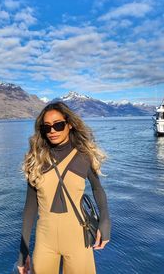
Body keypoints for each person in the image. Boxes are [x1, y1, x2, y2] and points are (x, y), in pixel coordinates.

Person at [17, 102, 111, 274]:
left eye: (58, 125)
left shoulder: (84, 156)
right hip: (45, 240)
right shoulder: (36, 160)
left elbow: (98, 189)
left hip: (77, 237)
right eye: (47, 127)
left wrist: (105, 221)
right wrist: (23, 252)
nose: (52, 131)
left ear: (69, 125)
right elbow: (30, 207)